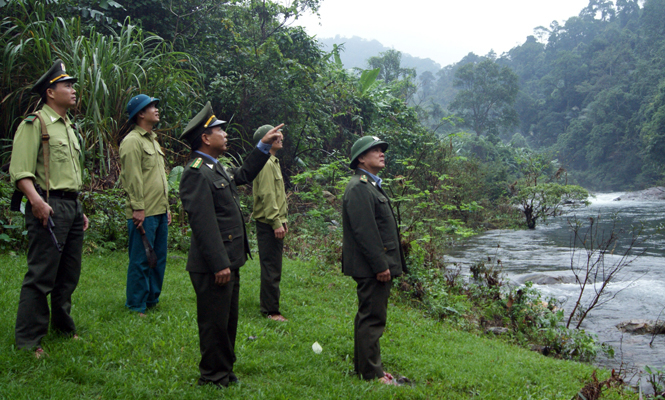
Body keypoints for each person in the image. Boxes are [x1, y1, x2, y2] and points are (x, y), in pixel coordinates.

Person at [178, 102, 283, 388]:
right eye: (219, 129)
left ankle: (224, 370)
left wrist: (263, 147)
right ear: (204, 138)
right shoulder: (196, 172)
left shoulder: (215, 167)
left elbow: (244, 175)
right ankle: (211, 377)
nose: (225, 134)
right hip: (214, 263)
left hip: (229, 259)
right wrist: (219, 263)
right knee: (214, 323)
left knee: (228, 321)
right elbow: (203, 223)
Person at [9, 59, 89, 358]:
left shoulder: (68, 127)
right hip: (47, 204)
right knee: (41, 274)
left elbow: (69, 175)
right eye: (66, 85)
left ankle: (63, 327)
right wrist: (37, 202)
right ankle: (29, 339)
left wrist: (78, 207)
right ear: (50, 92)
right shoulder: (35, 124)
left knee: (68, 274)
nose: (72, 90)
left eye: (72, 85)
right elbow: (20, 171)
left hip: (69, 205)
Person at [341, 135, 407, 385]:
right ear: (361, 158)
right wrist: (381, 265)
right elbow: (365, 232)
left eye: (382, 149)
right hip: (372, 267)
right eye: (375, 150)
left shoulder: (370, 184)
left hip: (374, 265)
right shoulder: (359, 187)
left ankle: (366, 368)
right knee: (372, 318)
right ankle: (372, 374)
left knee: (369, 315)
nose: (381, 153)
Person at [118, 94, 171, 316]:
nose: (156, 110)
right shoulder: (132, 141)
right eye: (151, 107)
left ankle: (152, 300)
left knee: (158, 258)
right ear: (140, 114)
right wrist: (138, 208)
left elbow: (158, 177)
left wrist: (167, 208)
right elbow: (132, 177)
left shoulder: (152, 140)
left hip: (159, 211)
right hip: (144, 212)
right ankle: (136, 304)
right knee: (141, 259)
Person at [251, 125, 288, 322]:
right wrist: (276, 222)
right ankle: (270, 310)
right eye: (275, 135)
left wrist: (283, 220)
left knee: (274, 265)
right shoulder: (265, 163)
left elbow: (277, 195)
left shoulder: (273, 161)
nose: (280, 137)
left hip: (274, 220)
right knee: (271, 266)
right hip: (268, 222)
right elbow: (267, 196)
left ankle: (271, 305)